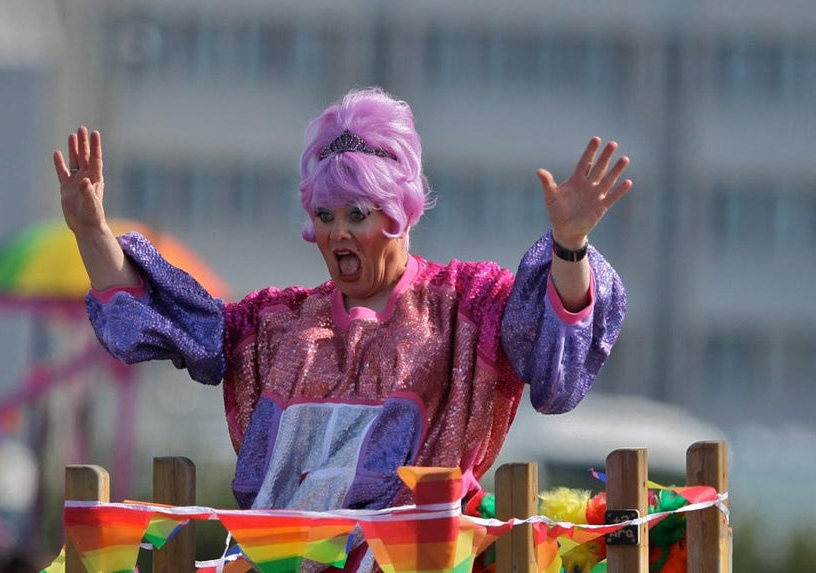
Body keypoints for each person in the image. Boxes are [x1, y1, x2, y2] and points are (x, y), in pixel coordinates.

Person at [53, 87, 631, 570]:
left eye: (357, 215)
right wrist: (91, 233)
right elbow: (164, 317)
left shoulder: (467, 303)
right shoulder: (276, 325)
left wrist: (570, 245)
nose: (336, 234)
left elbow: (555, 363)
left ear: (399, 214)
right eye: (324, 216)